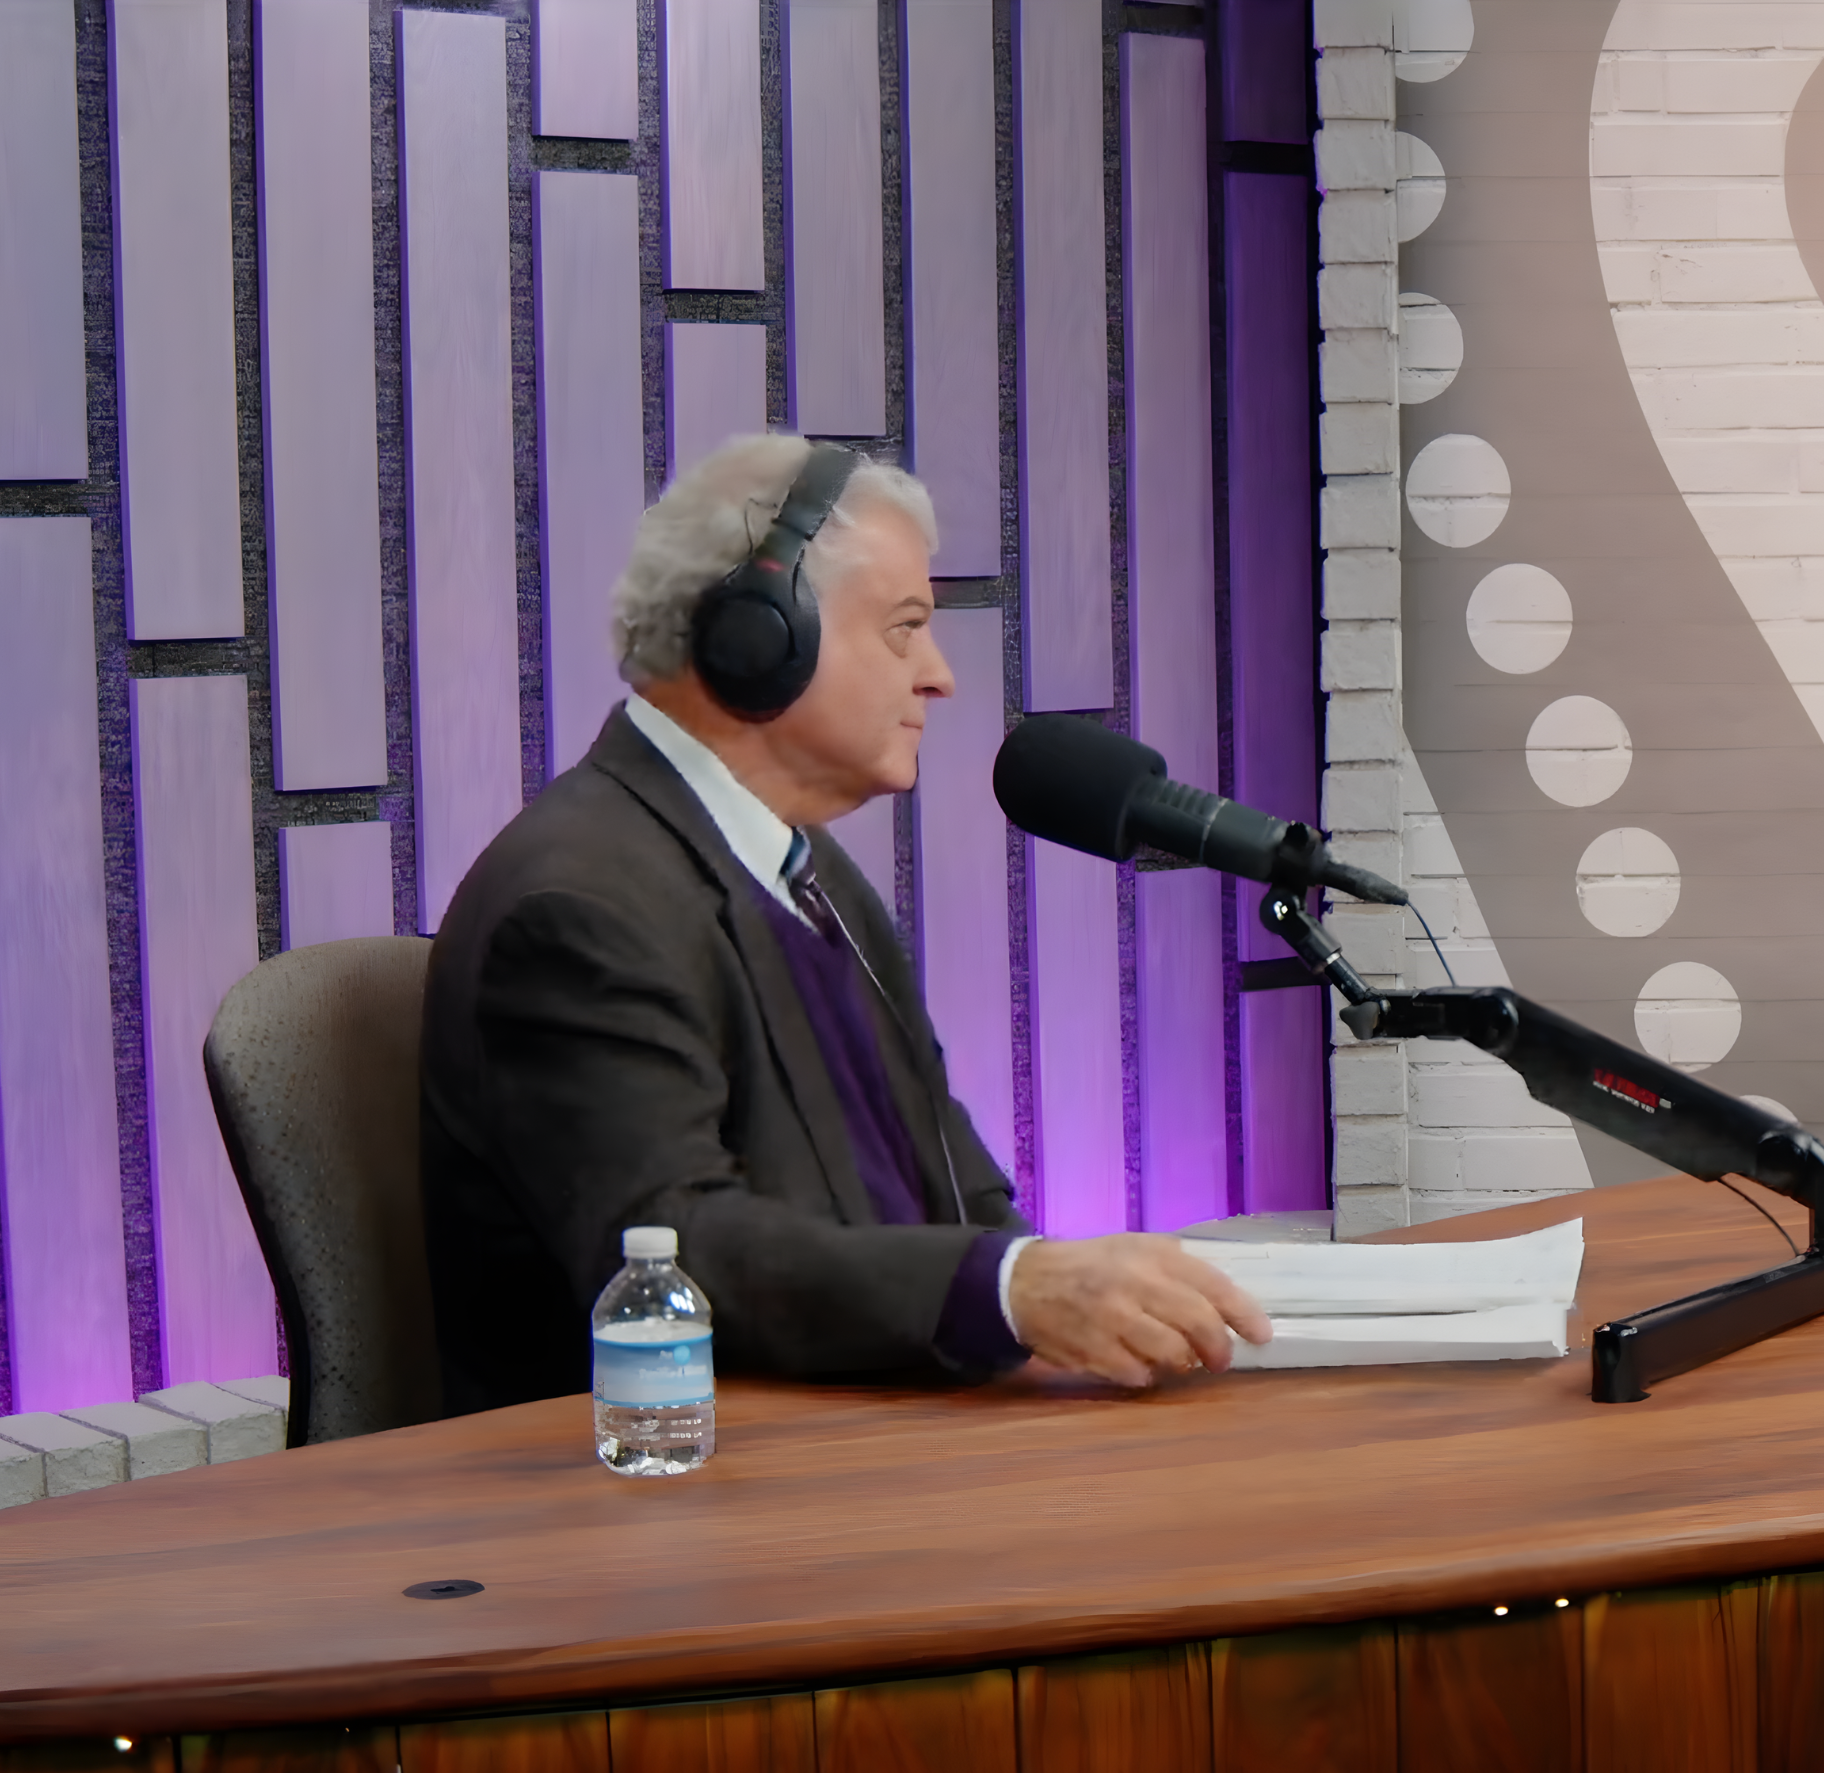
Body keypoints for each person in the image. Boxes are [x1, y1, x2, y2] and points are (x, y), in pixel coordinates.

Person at [421, 435, 1270, 1414]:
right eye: (904, 628)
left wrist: (1064, 1289)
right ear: (756, 635)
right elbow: (676, 1247)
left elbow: (954, 1183)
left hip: (860, 1436)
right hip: (666, 1498)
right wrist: (1006, 1292)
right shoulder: (580, 907)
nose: (940, 676)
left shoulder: (808, 871)